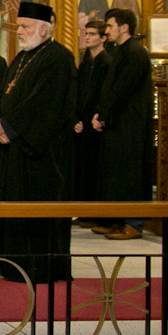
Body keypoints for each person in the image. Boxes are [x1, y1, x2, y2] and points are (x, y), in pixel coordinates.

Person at [0, 0, 76, 283]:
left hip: (42, 155)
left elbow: (46, 105)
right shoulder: (22, 57)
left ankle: (39, 267)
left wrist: (9, 126)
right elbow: (5, 91)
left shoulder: (59, 59)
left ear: (44, 29)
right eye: (19, 26)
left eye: (25, 26)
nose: (20, 31)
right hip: (15, 150)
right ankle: (11, 264)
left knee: (37, 211)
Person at [92, 8, 154, 240]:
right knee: (115, 174)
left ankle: (133, 223)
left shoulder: (135, 53)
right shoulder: (120, 51)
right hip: (117, 123)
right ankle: (115, 220)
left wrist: (105, 115)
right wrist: (101, 114)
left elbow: (122, 90)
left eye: (109, 26)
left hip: (130, 125)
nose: (106, 31)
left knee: (130, 173)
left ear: (124, 27)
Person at [74, 18, 110, 226]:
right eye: (86, 33)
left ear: (103, 38)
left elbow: (105, 93)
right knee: (83, 167)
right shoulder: (86, 62)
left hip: (97, 123)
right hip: (84, 122)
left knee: (96, 167)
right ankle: (83, 209)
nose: (87, 37)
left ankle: (95, 212)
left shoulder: (107, 62)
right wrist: (77, 118)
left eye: (92, 34)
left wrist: (99, 115)